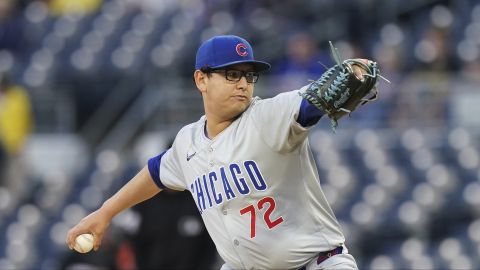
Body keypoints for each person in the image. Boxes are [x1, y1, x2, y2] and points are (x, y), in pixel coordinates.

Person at [67, 35, 371, 270]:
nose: (243, 84)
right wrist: (106, 212)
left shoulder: (267, 117)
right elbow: (157, 173)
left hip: (315, 263)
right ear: (201, 79)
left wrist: (356, 71)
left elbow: (307, 104)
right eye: (231, 74)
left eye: (248, 76)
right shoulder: (187, 142)